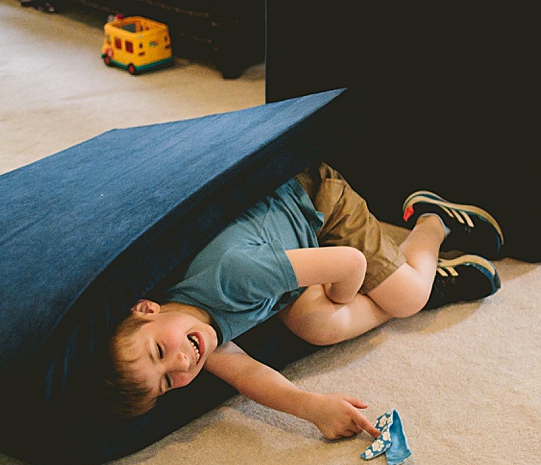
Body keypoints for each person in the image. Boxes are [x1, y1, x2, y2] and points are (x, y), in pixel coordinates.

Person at [100, 164, 503, 439]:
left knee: (409, 297)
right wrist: (313, 409)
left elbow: (350, 263)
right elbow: (248, 376)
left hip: (316, 202)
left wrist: (337, 293)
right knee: (318, 326)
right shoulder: (194, 332)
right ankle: (418, 276)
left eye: (158, 352)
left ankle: (433, 223)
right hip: (291, 261)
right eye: (168, 382)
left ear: (147, 308)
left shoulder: (234, 275)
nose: (182, 363)